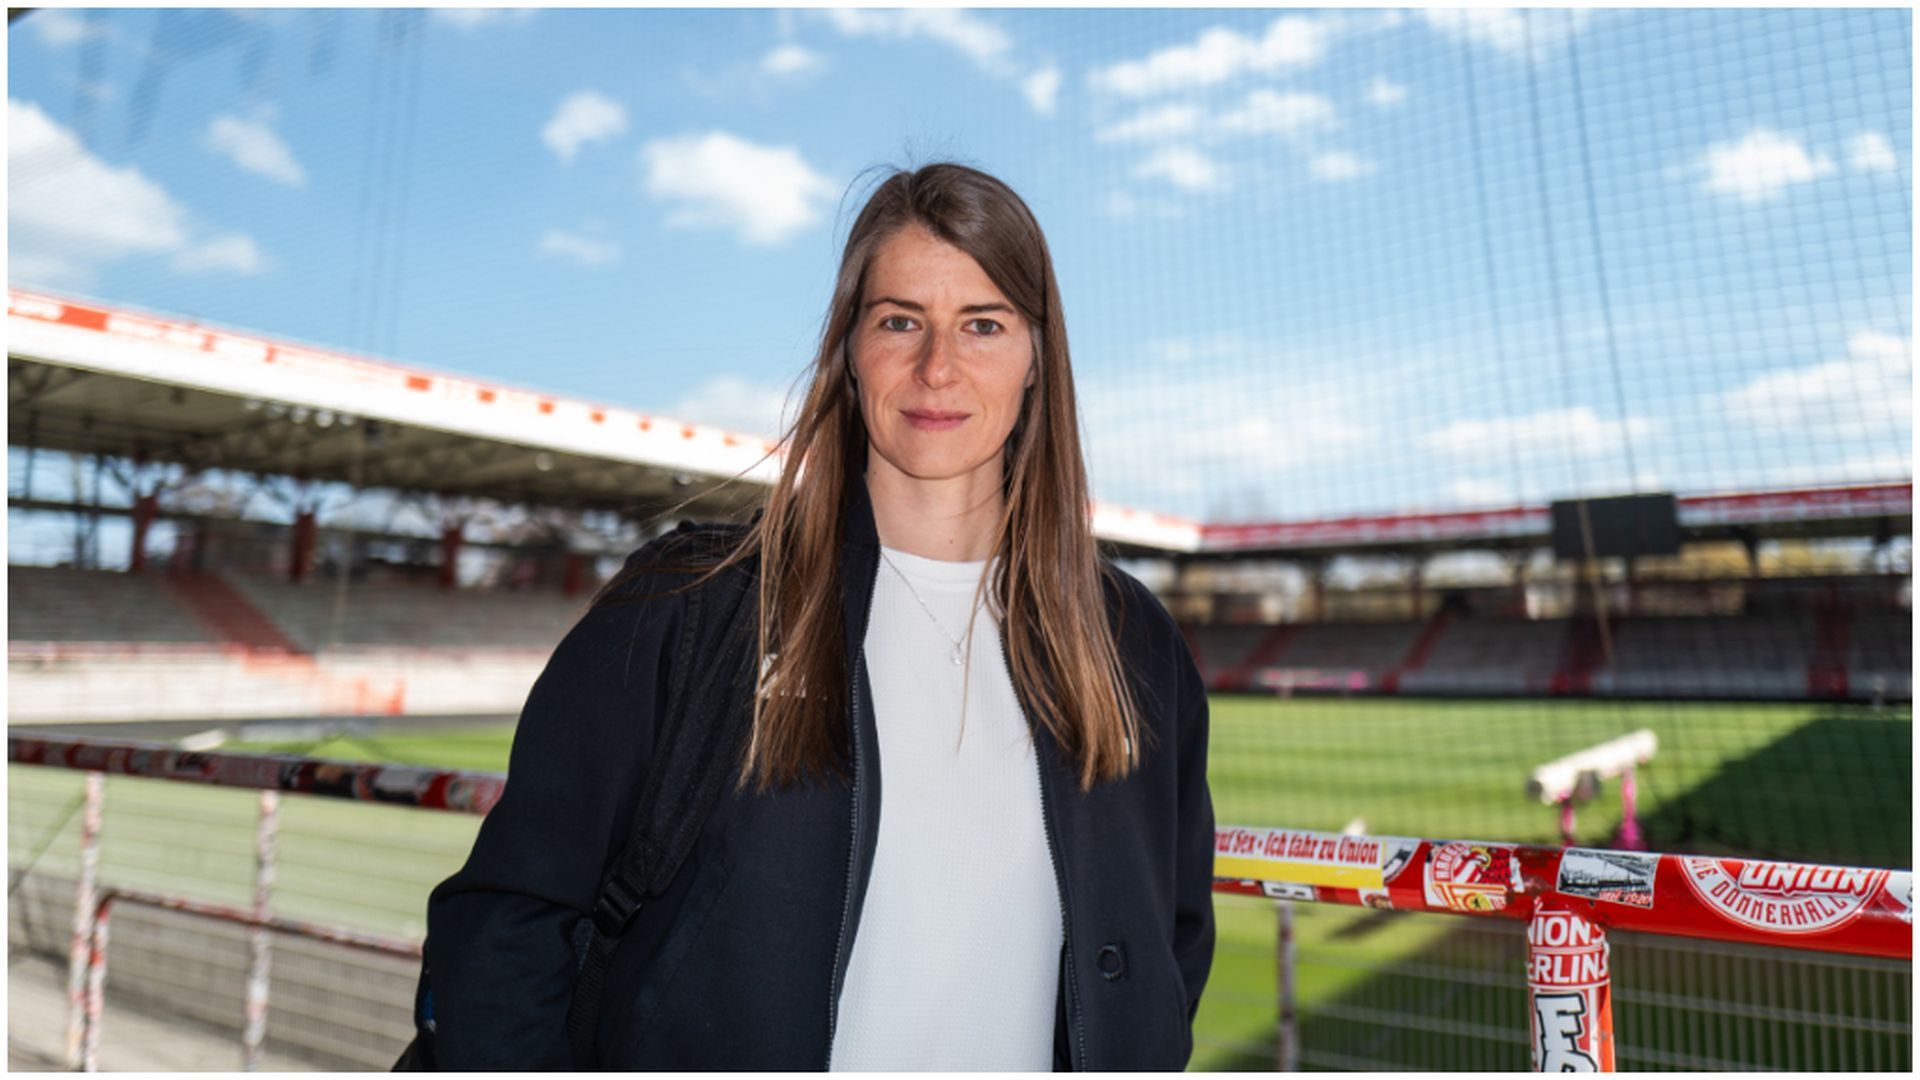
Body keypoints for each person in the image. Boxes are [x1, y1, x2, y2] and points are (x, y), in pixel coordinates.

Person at [421, 162, 1215, 1070]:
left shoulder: (1133, 646)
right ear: (849, 349)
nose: (938, 367)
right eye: (900, 321)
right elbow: (508, 921)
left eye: (983, 324)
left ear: (1038, 356)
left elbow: (1171, 944)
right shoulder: (693, 605)